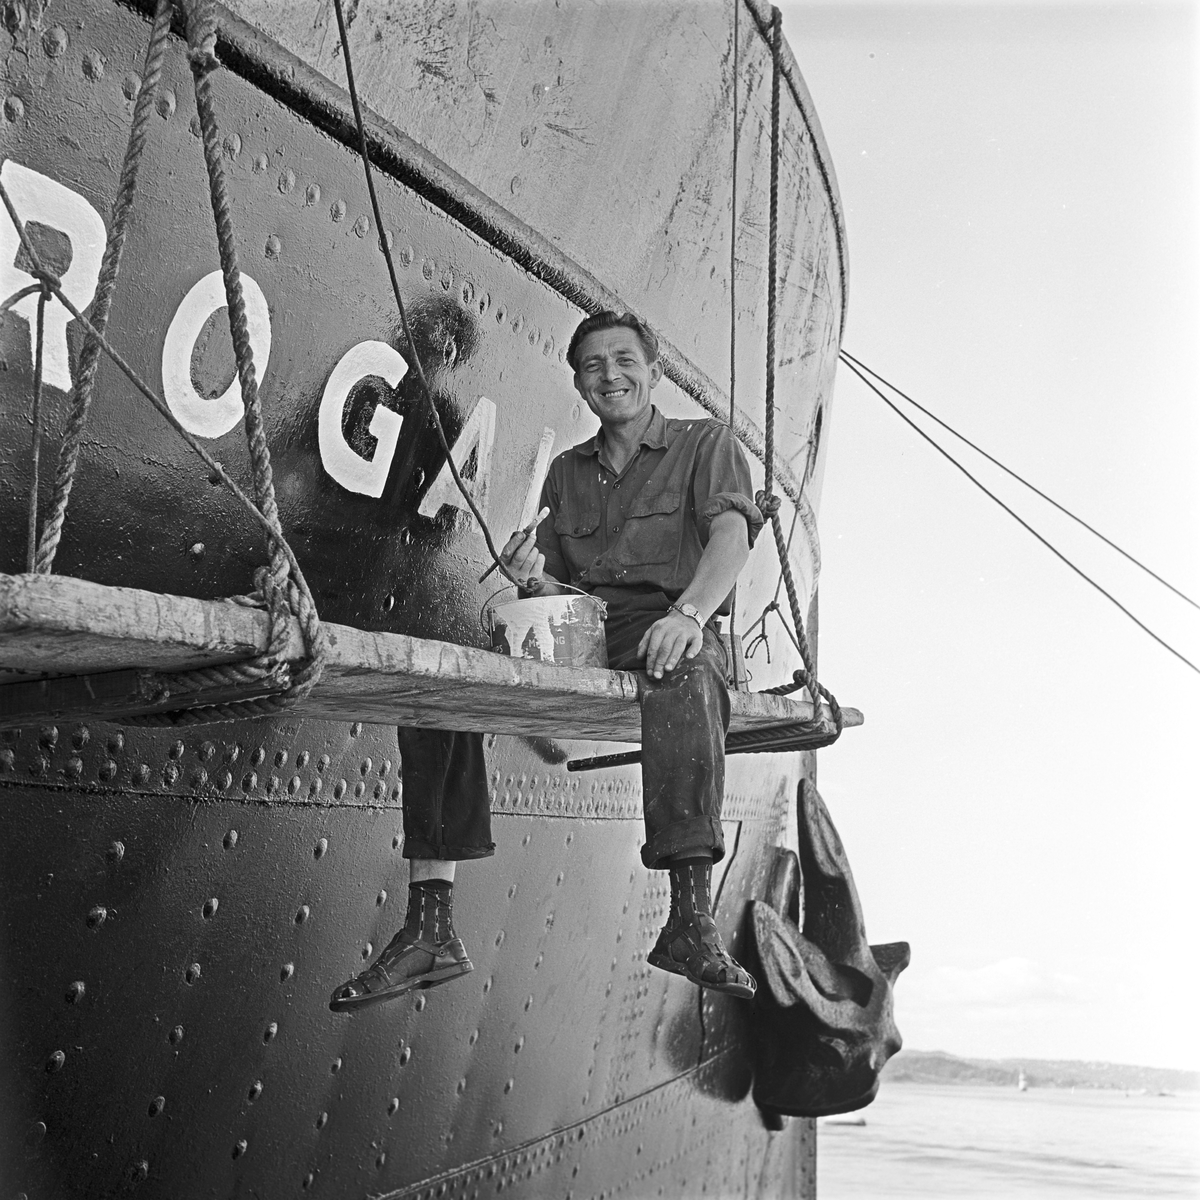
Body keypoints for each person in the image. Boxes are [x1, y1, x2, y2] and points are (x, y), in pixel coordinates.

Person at [329, 310, 762, 1012]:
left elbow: (732, 539)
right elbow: (556, 589)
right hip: (587, 633)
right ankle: (430, 926)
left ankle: (689, 917)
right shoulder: (566, 473)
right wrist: (526, 571)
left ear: (655, 373)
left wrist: (688, 617)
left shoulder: (705, 444)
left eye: (624, 361)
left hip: (673, 623)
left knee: (685, 670)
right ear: (580, 386)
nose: (610, 374)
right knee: (446, 681)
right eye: (593, 366)